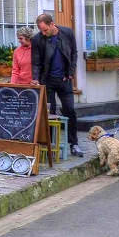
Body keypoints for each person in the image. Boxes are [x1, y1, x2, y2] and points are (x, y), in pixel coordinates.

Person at [31, 13, 84, 157]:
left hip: (65, 80)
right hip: (47, 80)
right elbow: (35, 61)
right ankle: (50, 145)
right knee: (49, 113)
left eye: (45, 30)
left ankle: (74, 144)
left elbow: (74, 53)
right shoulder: (37, 40)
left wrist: (71, 72)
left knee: (70, 110)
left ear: (52, 24)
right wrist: (35, 78)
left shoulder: (67, 33)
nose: (43, 33)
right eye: (41, 30)